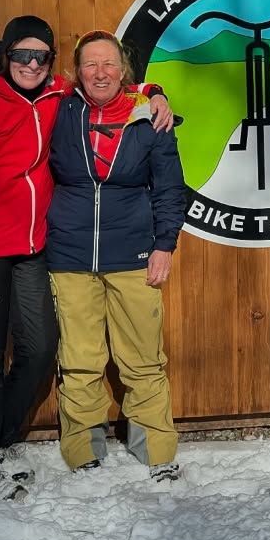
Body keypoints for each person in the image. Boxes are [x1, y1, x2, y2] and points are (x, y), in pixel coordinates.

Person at [0, 16, 172, 501]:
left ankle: (0, 436)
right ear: (6, 56)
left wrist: (154, 89)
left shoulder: (54, 97)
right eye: (22, 55)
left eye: (42, 56)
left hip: (32, 248)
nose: (32, 63)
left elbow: (112, 80)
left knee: (40, 350)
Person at [47, 30, 187, 481]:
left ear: (124, 69)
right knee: (80, 358)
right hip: (70, 255)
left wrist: (165, 244)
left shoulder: (149, 117)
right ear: (76, 72)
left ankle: (156, 449)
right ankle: (83, 449)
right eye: (90, 64)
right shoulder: (62, 108)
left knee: (143, 358)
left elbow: (169, 188)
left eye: (109, 63)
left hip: (133, 254)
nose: (100, 72)